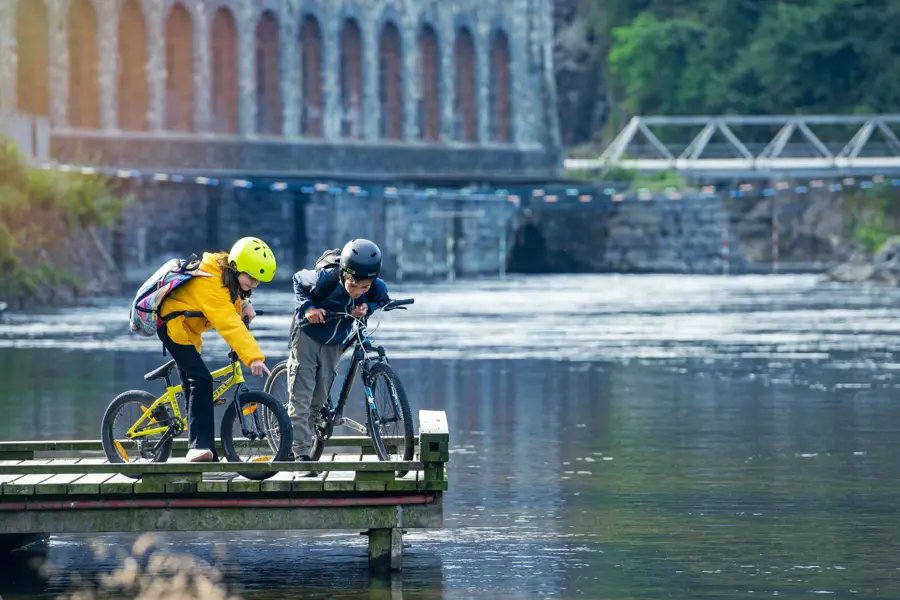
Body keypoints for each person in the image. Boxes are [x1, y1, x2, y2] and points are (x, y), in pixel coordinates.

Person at [158, 237, 276, 462]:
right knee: (200, 380)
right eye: (251, 279)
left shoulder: (227, 277)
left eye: (258, 282)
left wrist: (244, 302)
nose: (253, 285)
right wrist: (253, 357)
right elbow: (228, 323)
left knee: (195, 387)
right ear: (237, 267)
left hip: (188, 330)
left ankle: (205, 449)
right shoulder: (211, 284)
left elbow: (231, 298)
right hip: (173, 327)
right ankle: (197, 448)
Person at [288, 239, 389, 472]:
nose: (358, 292)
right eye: (353, 286)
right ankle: (301, 454)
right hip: (308, 335)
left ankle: (308, 445)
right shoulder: (325, 278)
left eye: (364, 288)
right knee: (301, 397)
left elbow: (381, 298)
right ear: (344, 275)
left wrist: (367, 308)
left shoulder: (374, 286)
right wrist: (309, 308)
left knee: (319, 397)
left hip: (334, 341)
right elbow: (297, 280)